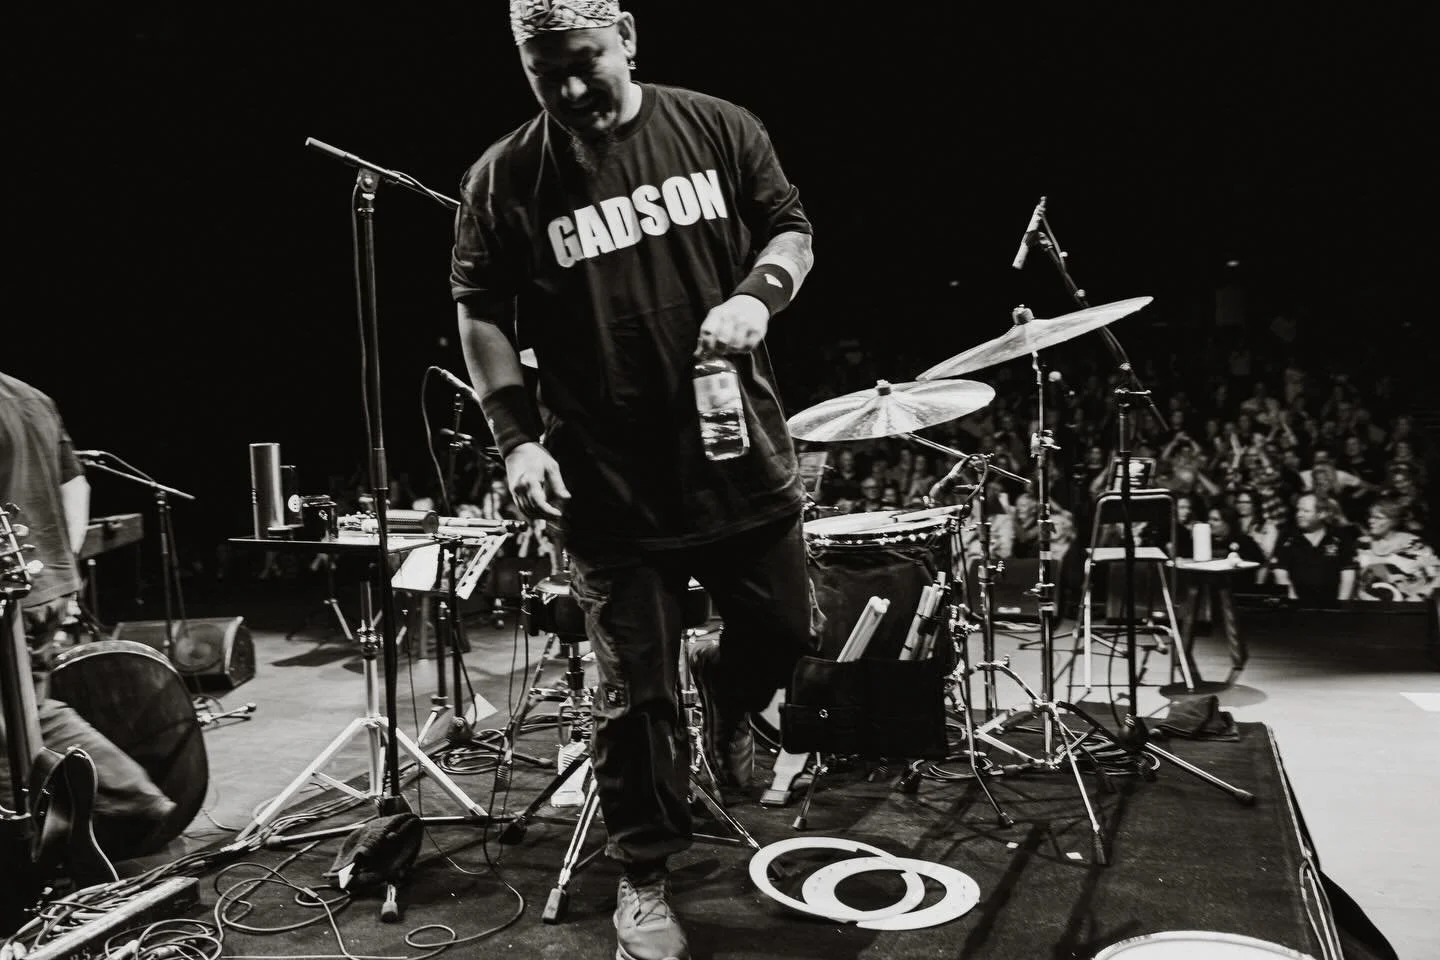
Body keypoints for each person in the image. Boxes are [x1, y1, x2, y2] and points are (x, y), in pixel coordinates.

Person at [450, 5, 815, 957]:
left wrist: (755, 296)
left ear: (629, 42)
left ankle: (730, 688)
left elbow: (791, 230)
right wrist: (517, 439)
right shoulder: (502, 179)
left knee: (785, 632)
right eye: (545, 75)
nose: (570, 92)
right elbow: (481, 316)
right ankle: (644, 878)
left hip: (740, 460)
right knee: (633, 702)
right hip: (607, 488)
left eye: (586, 65)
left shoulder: (719, 126)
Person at [0, 372, 177, 859]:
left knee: (13, 723)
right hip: (45, 580)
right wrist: (65, 557)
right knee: (27, 714)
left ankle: (111, 809)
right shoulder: (29, 395)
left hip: (9, 592)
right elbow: (76, 480)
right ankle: (123, 802)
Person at [1270, 493, 1357, 606]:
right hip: (1295, 606)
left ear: (1322, 514)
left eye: (1306, 511)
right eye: (1298, 510)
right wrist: (1293, 601)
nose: (1299, 514)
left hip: (1331, 606)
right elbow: (1280, 572)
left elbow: (1348, 575)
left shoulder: (1341, 537)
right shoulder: (1287, 537)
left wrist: (1342, 606)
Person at [1353, 498, 1440, 602]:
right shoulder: (1362, 544)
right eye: (1370, 516)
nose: (1371, 521)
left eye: (1378, 518)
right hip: (1366, 608)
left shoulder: (1414, 545)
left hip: (1407, 609)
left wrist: (1420, 596)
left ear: (1393, 521)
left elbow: (1438, 576)